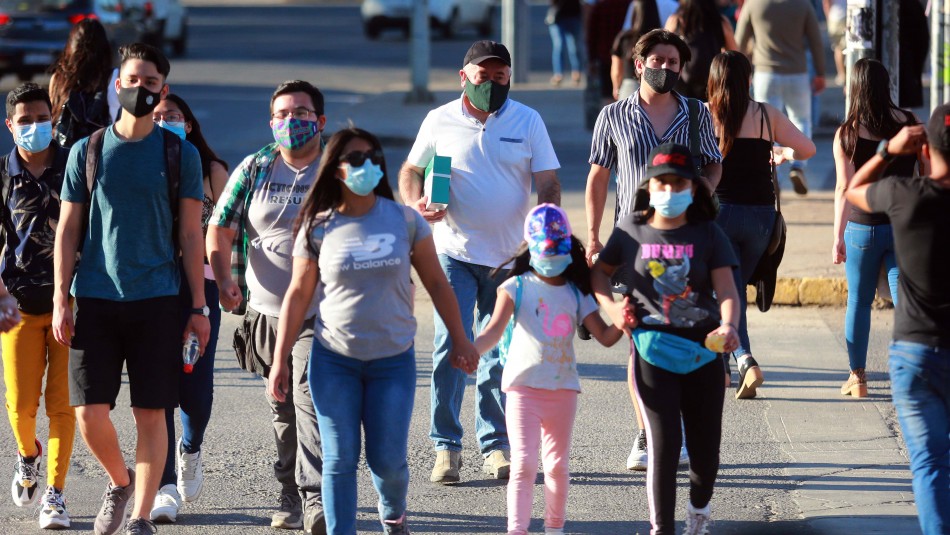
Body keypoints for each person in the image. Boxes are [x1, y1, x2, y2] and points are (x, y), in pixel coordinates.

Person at [268, 127, 478, 535]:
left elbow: (437, 283)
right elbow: (296, 295)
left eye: (372, 157)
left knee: (387, 460)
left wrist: (461, 339)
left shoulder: (405, 220)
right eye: (354, 158)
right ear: (336, 169)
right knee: (339, 458)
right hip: (333, 361)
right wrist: (279, 361)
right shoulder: (317, 226)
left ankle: (393, 512)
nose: (366, 165)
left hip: (391, 362)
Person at [52, 43, 208, 535]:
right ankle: (120, 483)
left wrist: (198, 308)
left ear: (164, 88)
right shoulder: (88, 149)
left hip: (158, 299)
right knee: (87, 411)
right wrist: (62, 295)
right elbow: (69, 230)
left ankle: (140, 517)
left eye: (151, 82)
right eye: (133, 80)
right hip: (95, 296)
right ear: (116, 84)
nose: (141, 89)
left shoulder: (178, 153)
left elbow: (189, 234)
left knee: (151, 411)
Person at [398, 40, 561, 485]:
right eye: (483, 75)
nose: (492, 82)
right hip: (453, 252)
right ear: (464, 76)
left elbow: (547, 181)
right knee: (452, 346)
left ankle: (494, 445)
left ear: (510, 77)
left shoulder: (529, 120)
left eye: (500, 75)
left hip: (508, 259)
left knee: (497, 352)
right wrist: (415, 205)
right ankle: (446, 448)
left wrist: (547, 224)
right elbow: (411, 171)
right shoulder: (439, 120)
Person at [585, 28, 722, 471]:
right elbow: (598, 178)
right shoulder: (613, 116)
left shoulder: (698, 113)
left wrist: (702, 192)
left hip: (688, 243)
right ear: (638, 64)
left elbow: (715, 162)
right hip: (631, 243)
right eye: (657, 61)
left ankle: (674, 429)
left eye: (673, 62)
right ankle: (648, 432)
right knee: (640, 342)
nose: (666, 68)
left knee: (682, 334)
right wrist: (592, 236)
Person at [592, 142, 740, 535]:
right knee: (664, 445)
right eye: (663, 183)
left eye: (679, 184)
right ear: (649, 186)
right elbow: (599, 275)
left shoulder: (708, 233)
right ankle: (663, 529)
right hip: (652, 351)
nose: (670, 192)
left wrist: (729, 326)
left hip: (704, 354)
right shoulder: (630, 230)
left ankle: (698, 512)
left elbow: (727, 290)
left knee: (706, 452)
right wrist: (613, 311)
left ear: (693, 189)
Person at [207, 80, 326, 533]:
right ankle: (288, 494)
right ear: (271, 121)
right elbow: (219, 226)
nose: (291, 121)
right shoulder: (256, 166)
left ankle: (315, 500)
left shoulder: (337, 168)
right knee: (281, 408)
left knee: (306, 397)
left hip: (322, 312)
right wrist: (223, 281)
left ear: (320, 120)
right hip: (266, 311)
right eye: (282, 114)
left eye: (301, 112)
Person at [472, 204, 624, 535]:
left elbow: (606, 336)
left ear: (567, 249)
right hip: (522, 390)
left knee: (556, 466)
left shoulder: (575, 291)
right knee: (523, 465)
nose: (551, 257)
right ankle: (517, 530)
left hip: (563, 392)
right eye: (545, 250)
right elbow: (493, 331)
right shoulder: (516, 286)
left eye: (557, 250)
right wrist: (469, 350)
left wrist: (626, 321)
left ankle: (554, 528)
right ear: (532, 248)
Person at [844, 104, 950, 535]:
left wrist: (888, 149)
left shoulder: (905, 194)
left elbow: (854, 189)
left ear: (926, 150)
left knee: (929, 464)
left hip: (915, 352)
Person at [706, 51, 815, 397]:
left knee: (726, 292)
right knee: (732, 290)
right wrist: (785, 154)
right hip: (761, 219)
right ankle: (724, 368)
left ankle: (744, 360)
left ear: (713, 81)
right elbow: (808, 148)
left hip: (721, 215)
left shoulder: (706, 115)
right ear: (748, 79)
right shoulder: (767, 114)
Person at [148, 94, 229, 523]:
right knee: (158, 384)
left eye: (173, 116)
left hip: (201, 289)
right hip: (154, 287)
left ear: (190, 123)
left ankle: (190, 448)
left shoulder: (211, 169)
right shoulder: (141, 163)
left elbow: (226, 230)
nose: (165, 122)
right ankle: (163, 484)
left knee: (194, 387)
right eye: (157, 116)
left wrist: (232, 282)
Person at [1, 83, 73, 529]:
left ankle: (55, 494)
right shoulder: (4, 175)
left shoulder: (74, 168)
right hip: (18, 307)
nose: (34, 127)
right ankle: (28, 454)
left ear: (54, 118)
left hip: (71, 304)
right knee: (20, 406)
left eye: (40, 118)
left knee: (62, 406)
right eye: (24, 121)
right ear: (11, 127)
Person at [831, 59, 926, 399]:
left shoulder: (847, 133)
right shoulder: (909, 123)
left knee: (858, 301)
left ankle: (857, 378)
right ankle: (918, 369)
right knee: (907, 300)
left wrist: (837, 237)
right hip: (902, 225)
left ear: (854, 88)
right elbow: (925, 172)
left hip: (862, 226)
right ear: (887, 86)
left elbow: (844, 188)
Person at [735, 0, 825, 196]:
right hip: (797, 72)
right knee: (801, 119)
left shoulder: (754, 4)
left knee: (766, 125)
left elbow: (740, 40)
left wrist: (738, 72)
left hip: (765, 73)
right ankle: (799, 165)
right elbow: (815, 39)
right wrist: (820, 72)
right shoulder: (803, 5)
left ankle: (773, 173)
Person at [48, 18, 114, 149]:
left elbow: (52, 118)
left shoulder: (57, 78)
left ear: (70, 46)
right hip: (101, 150)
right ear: (104, 47)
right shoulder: (112, 77)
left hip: (65, 153)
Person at [664, 0, 738, 100]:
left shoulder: (675, 21)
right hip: (711, 85)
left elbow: (664, 51)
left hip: (680, 86)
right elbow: (734, 56)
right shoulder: (721, 22)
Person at [610, 0, 662, 101]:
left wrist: (616, 87)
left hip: (629, 87)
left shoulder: (624, 38)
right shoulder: (661, 39)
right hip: (655, 87)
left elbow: (616, 70)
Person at [546, 0, 583, 86]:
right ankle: (558, 74)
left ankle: (576, 72)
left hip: (574, 15)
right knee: (559, 45)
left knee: (574, 47)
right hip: (558, 16)